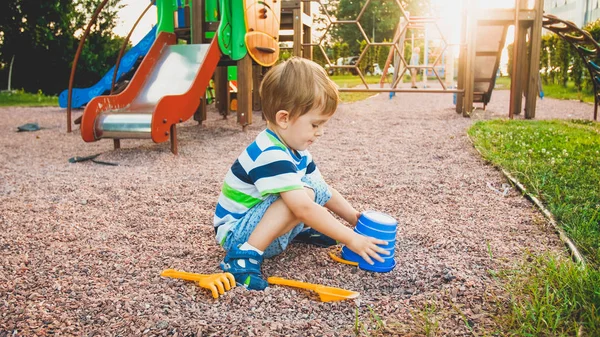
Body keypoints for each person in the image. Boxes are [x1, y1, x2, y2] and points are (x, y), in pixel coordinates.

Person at [213, 57, 389, 290]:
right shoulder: (270, 153)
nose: (320, 133)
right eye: (315, 125)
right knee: (301, 197)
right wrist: (351, 238)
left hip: (258, 224)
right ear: (284, 119)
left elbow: (324, 190)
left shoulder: (296, 149)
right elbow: (302, 207)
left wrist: (355, 220)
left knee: (312, 187)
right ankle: (243, 257)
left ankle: (299, 231)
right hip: (238, 233)